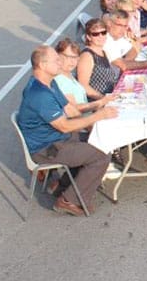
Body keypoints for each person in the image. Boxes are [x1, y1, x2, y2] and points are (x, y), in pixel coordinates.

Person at [17, 45, 117, 216]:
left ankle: (62, 186)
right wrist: (97, 116)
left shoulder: (50, 83)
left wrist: (98, 104)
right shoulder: (39, 94)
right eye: (56, 60)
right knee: (101, 154)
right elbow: (64, 125)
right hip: (47, 148)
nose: (60, 63)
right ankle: (69, 200)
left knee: (97, 138)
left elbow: (70, 111)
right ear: (42, 65)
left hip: (58, 138)